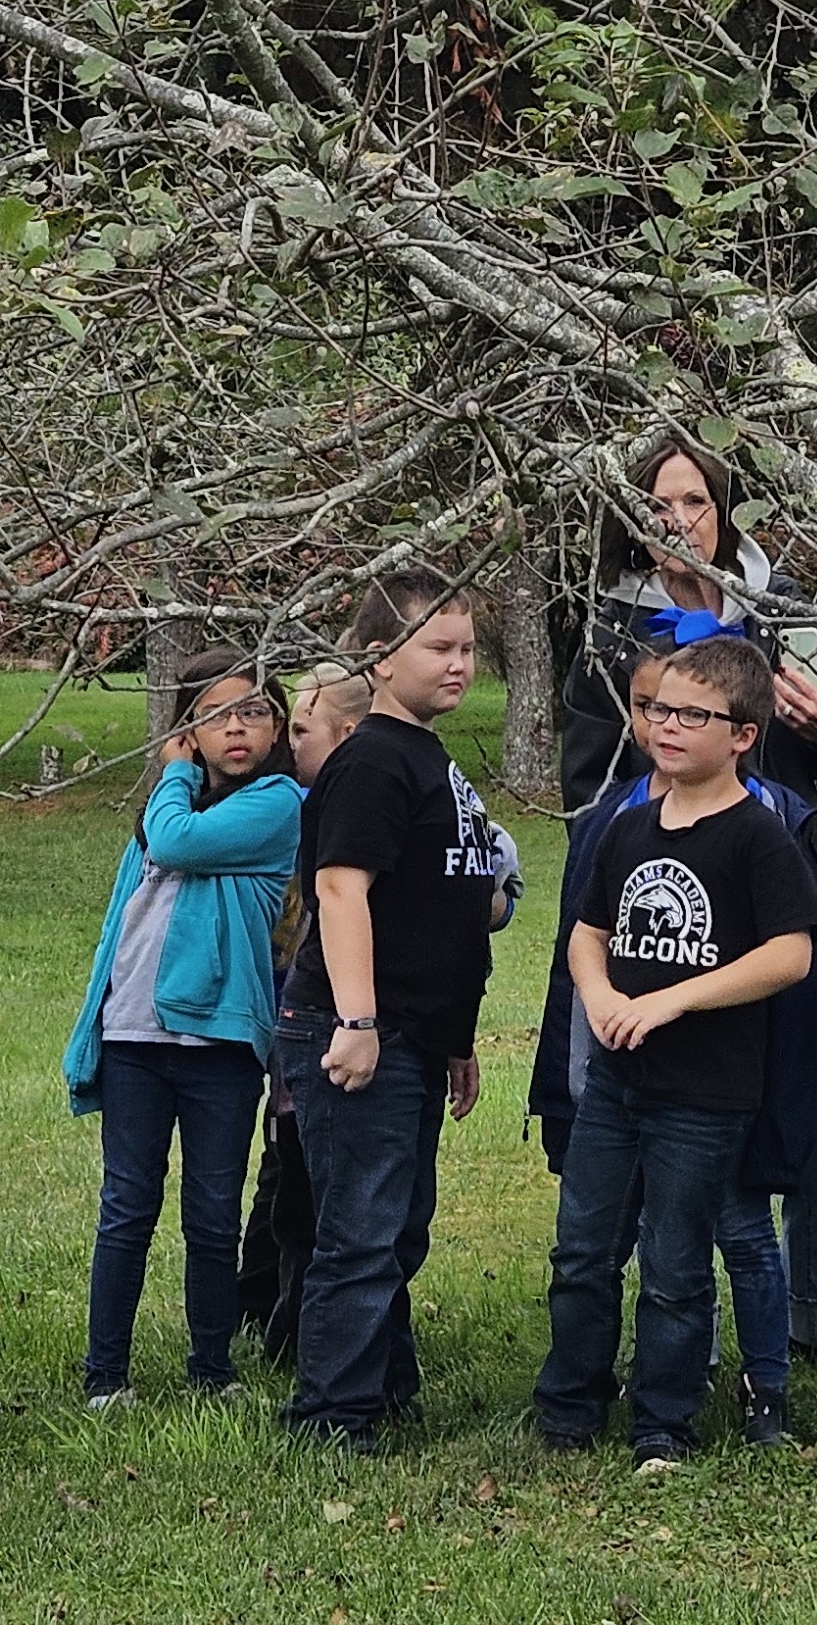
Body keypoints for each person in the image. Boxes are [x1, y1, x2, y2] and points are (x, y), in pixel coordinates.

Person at [559, 439, 817, 1371]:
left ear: (726, 509)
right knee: (671, 1125)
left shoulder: (779, 607)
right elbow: (588, 779)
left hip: (784, 883)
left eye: (695, 501)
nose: (678, 521)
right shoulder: (612, 630)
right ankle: (680, 1336)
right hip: (666, 898)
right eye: (658, 506)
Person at [529, 633, 817, 1445]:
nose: (668, 725)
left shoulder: (757, 834)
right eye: (660, 709)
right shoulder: (628, 826)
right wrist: (601, 995)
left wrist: (672, 1001)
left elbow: (790, 953)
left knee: (674, 1264)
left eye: (695, 715)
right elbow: (587, 933)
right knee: (582, 1251)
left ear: (742, 736)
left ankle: (663, 1423)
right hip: (615, 1085)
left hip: (704, 1093)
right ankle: (569, 1408)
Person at [277, 571, 497, 1450]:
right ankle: (331, 1416)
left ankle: (385, 1386)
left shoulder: (426, 756)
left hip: (415, 1033)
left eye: (468, 648)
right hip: (358, 1032)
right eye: (438, 647)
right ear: (379, 656)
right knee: (361, 1232)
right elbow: (340, 890)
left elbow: (440, 908)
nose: (458, 663)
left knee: (397, 1227)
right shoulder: (371, 759)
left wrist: (455, 1038)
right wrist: (359, 1023)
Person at [62, 648, 302, 1408]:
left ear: (278, 728)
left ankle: (212, 1369)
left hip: (221, 1043)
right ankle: (106, 1375)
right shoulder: (172, 806)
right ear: (189, 729)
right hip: (134, 1034)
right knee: (126, 1207)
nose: (236, 728)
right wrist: (94, 1021)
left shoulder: (278, 803)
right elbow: (122, 921)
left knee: (212, 1211)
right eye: (214, 714)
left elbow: (174, 843)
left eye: (253, 712)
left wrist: (171, 768)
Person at [237, 662, 372, 1363]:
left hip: (325, 1028)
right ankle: (261, 1307)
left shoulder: (349, 807)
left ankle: (292, 1325)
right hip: (290, 1023)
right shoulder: (290, 803)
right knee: (286, 1177)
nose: (288, 744)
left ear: (344, 734)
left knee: (303, 1183)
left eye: (300, 729)